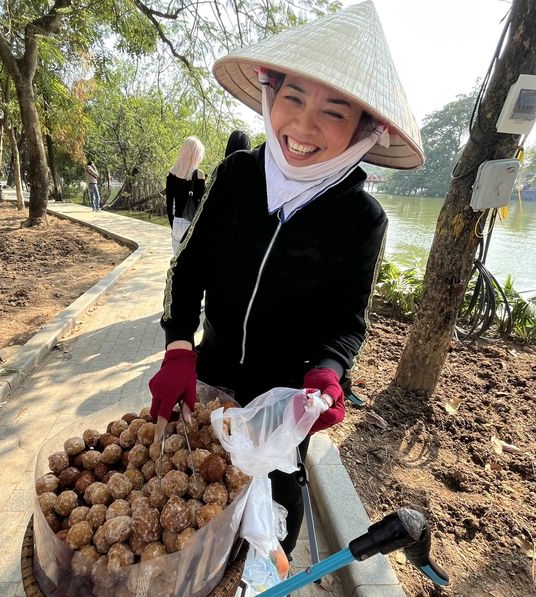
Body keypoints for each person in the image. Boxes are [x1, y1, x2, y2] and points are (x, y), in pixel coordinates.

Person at [148, 1, 423, 556]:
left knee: (269, 532)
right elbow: (189, 266)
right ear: (271, 95)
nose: (302, 126)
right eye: (293, 98)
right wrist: (180, 346)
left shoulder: (362, 221)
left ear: (366, 130)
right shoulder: (237, 176)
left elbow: (346, 323)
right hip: (210, 381)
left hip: (280, 411)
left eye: (333, 112)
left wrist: (327, 374)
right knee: (176, 515)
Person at [166, 136, 206, 253]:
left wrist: (173, 225)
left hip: (177, 223)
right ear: (195, 154)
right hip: (191, 225)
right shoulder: (199, 174)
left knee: (176, 263)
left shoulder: (172, 173)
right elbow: (203, 205)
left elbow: (169, 205)